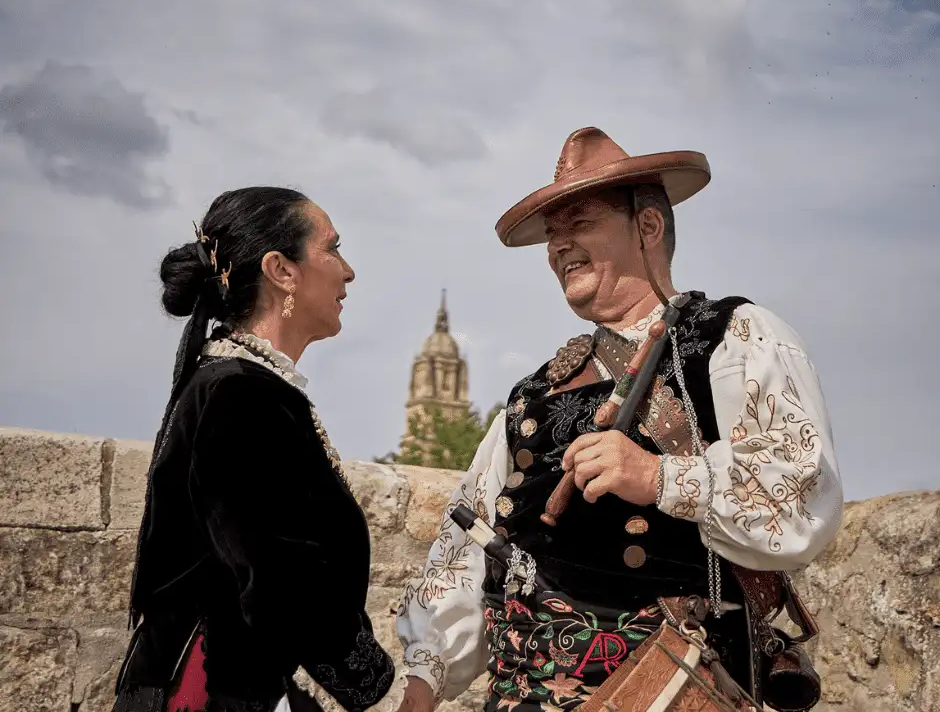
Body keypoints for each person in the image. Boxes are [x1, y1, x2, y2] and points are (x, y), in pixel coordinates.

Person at [395, 128, 843, 711]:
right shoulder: (535, 392)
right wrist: (421, 686)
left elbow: (802, 494)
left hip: (670, 686)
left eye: (579, 224)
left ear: (648, 227)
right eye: (553, 236)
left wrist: (659, 478)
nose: (559, 247)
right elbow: (466, 544)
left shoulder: (734, 338)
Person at [113, 187, 406, 712]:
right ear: (281, 270)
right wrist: (379, 689)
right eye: (332, 249)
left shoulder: (236, 384)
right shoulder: (240, 393)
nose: (348, 271)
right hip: (221, 692)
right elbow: (283, 581)